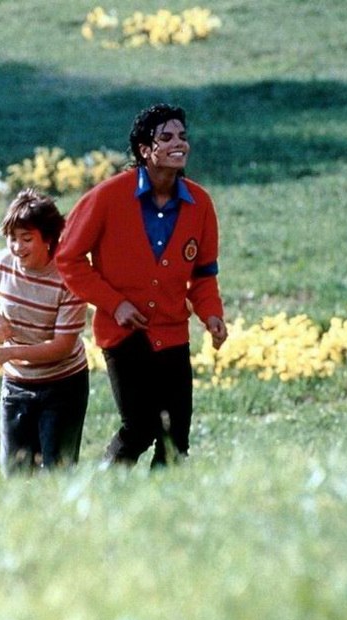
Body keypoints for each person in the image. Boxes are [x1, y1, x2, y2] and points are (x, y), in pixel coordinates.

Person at [56, 103, 228, 467]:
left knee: (176, 438)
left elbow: (203, 274)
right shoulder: (106, 197)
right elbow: (68, 258)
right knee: (140, 426)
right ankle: (105, 490)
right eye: (166, 137)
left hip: (173, 332)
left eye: (182, 136)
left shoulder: (200, 203)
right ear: (145, 149)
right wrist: (114, 303)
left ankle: (162, 501)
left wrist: (211, 314)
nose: (179, 143)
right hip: (123, 334)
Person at [0, 188, 89, 475]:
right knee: (15, 472)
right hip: (17, 385)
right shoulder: (2, 265)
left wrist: (10, 353)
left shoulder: (68, 278)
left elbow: (62, 347)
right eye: (12, 238)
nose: (17, 247)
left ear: (48, 239)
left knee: (58, 471)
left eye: (26, 239)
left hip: (63, 384)